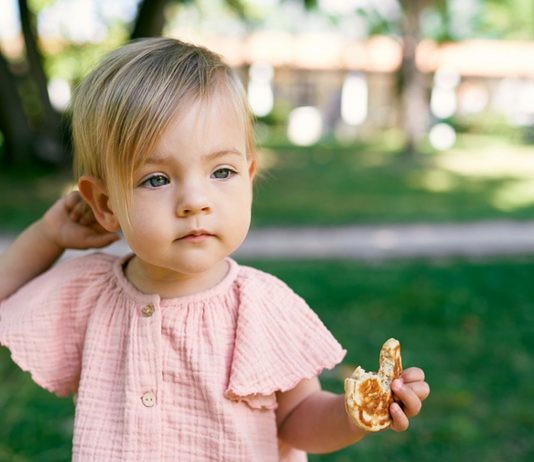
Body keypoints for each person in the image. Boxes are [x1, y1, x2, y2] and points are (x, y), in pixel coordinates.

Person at [0, 38, 429, 461]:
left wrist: (354, 414)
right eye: (156, 179)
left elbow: (297, 417)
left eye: (221, 171)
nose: (195, 201)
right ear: (106, 204)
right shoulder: (88, 293)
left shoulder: (261, 306)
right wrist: (49, 234)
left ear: (249, 176)